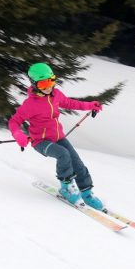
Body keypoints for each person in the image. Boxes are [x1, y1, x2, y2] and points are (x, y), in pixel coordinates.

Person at [8, 62, 104, 210]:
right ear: (34, 84)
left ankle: (86, 193)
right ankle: (66, 188)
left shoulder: (56, 95)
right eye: (43, 83)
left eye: (51, 80)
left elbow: (70, 103)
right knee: (63, 154)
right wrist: (18, 134)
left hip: (59, 137)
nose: (48, 86)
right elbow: (14, 122)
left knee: (77, 162)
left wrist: (89, 105)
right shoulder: (30, 104)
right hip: (40, 142)